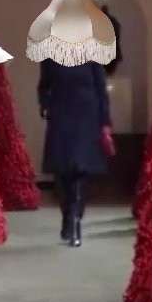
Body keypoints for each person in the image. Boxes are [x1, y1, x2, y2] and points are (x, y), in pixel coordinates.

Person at [38, 59, 113, 247]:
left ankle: (75, 220)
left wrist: (105, 121)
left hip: (87, 117)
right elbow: (43, 86)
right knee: (63, 171)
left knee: (81, 169)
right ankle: (68, 216)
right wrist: (47, 105)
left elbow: (101, 89)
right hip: (61, 116)